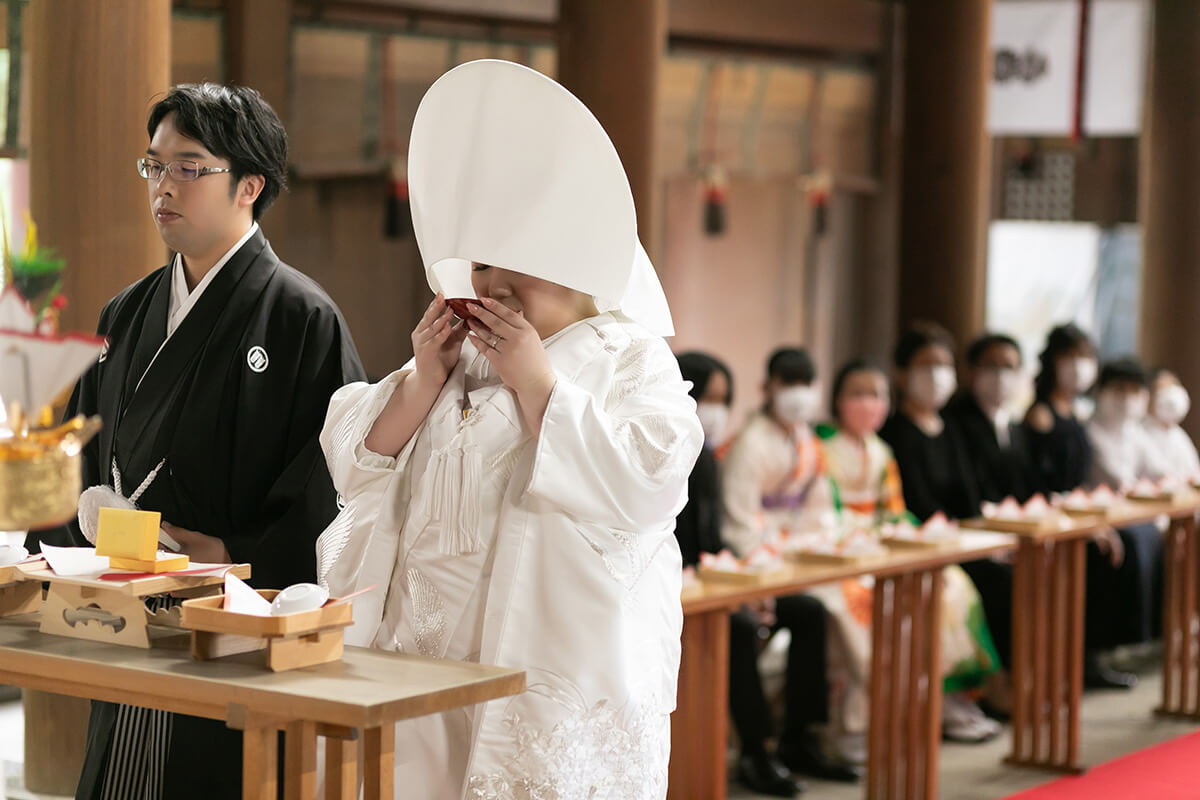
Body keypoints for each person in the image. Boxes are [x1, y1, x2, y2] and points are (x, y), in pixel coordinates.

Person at [316, 60, 702, 799]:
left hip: (542, 654)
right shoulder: (465, 351)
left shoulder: (630, 355)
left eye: (517, 265)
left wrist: (540, 383)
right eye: (483, 262)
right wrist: (425, 378)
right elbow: (356, 460)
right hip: (425, 646)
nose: (492, 284)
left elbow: (651, 483)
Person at [26, 84, 365, 799]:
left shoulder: (303, 319)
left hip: (234, 614)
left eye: (189, 167)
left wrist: (236, 551)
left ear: (250, 185)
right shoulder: (127, 310)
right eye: (154, 167)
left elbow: (334, 487)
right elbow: (88, 459)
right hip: (127, 601)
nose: (163, 188)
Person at [720, 347, 860, 792]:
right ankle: (756, 749)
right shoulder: (751, 442)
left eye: (805, 383)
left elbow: (818, 506)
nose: (798, 395)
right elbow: (738, 523)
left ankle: (801, 735)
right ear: (768, 388)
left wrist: (815, 545)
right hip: (753, 562)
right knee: (759, 622)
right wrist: (769, 566)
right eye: (788, 383)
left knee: (812, 612)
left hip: (795, 556)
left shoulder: (805, 439)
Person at [879, 323, 1003, 742]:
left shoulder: (951, 427)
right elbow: (912, 501)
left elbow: (969, 495)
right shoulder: (894, 432)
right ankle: (949, 701)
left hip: (961, 539)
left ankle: (996, 690)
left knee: (1007, 574)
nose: (935, 375)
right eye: (924, 365)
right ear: (900, 374)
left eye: (943, 365)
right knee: (967, 588)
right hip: (922, 543)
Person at [1024, 326, 1143, 689]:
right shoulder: (1040, 415)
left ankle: (1090, 655)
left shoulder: (1075, 413)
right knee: (1100, 554)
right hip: (1050, 519)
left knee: (1122, 545)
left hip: (1078, 515)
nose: (1079, 366)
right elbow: (1041, 484)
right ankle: (1071, 660)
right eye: (1070, 357)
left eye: (1086, 357)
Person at [674, 351, 734, 567]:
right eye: (709, 398)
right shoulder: (667, 455)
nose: (717, 411)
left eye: (723, 400)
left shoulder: (707, 457)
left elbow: (711, 537)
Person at [1143, 368, 1200, 480]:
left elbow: (1194, 471)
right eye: (1163, 390)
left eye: (1173, 388)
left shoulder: (1178, 434)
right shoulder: (1140, 433)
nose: (1171, 397)